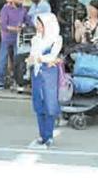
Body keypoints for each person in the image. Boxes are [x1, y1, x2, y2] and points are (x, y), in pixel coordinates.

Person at [28, 13, 63, 149]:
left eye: (39, 24)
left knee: (49, 104)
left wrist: (39, 58)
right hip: (37, 72)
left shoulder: (56, 39)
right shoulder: (35, 39)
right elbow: (32, 54)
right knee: (38, 104)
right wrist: (33, 59)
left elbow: (53, 55)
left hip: (49, 74)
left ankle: (49, 136)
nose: (37, 27)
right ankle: (42, 135)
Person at [0, 0, 26, 90]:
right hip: (6, 38)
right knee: (3, 59)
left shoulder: (23, 10)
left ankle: (17, 82)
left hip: (18, 39)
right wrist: (16, 29)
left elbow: (28, 21)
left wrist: (24, 25)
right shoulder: (5, 9)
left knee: (18, 60)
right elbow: (3, 26)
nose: (21, 1)